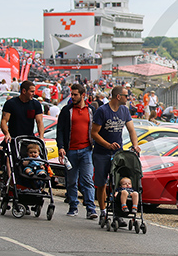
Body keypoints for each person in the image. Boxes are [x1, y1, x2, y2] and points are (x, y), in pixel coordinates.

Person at [92, 85, 140, 219]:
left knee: (117, 182)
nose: (128, 98)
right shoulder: (102, 111)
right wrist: (108, 145)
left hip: (118, 152)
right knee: (101, 183)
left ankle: (117, 210)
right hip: (102, 152)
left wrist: (135, 145)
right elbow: (94, 133)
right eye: (126, 95)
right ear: (118, 97)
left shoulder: (124, 110)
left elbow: (131, 130)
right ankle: (102, 210)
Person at [57, 83, 97, 219]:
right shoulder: (66, 111)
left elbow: (97, 130)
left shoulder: (91, 110)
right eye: (71, 94)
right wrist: (61, 147)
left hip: (86, 150)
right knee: (72, 181)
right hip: (70, 151)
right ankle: (73, 205)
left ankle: (91, 208)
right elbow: (60, 130)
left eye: (75, 95)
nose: (72, 97)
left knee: (87, 180)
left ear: (83, 95)